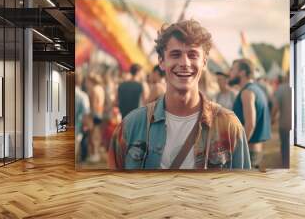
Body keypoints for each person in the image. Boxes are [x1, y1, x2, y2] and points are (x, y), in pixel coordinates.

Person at [108, 19, 251, 170]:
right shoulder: (132, 126)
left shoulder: (228, 126)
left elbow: (241, 189)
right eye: (175, 55)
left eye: (193, 55)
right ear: (161, 61)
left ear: (204, 62)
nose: (184, 63)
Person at [231, 58, 271, 170]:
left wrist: (238, 149)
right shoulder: (256, 89)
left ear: (242, 72)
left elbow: (250, 124)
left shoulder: (247, 92)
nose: (230, 73)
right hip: (255, 151)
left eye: (233, 70)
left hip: (250, 152)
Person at [272, 74, 292, 168]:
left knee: (285, 147)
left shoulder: (281, 88)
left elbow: (275, 106)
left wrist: (272, 118)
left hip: (284, 124)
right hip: (298, 127)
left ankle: (285, 166)